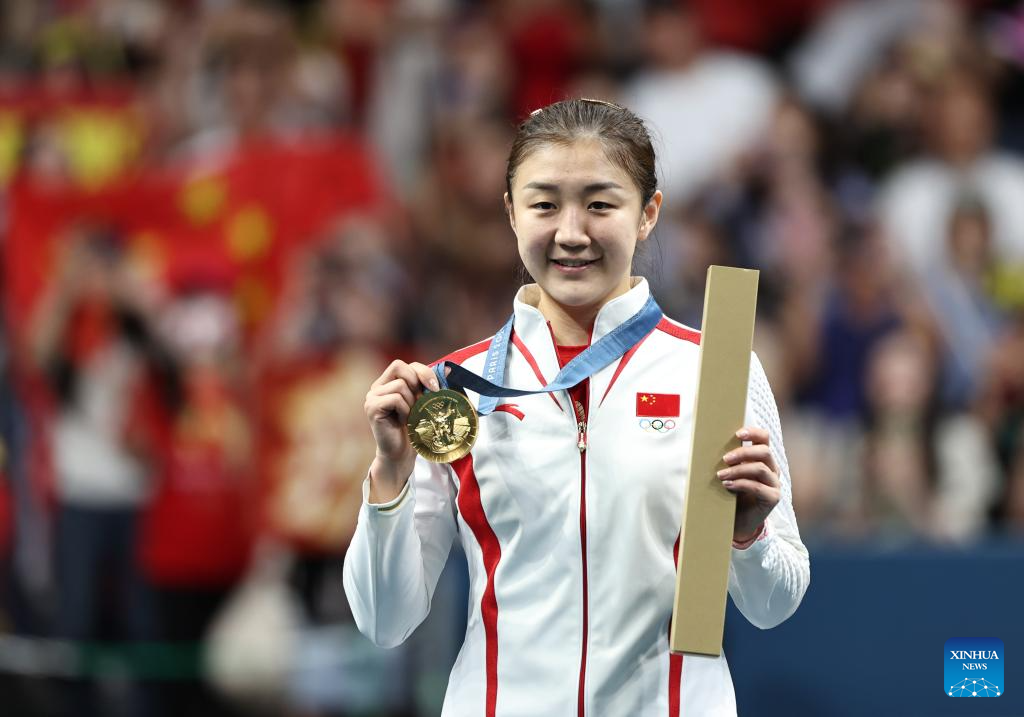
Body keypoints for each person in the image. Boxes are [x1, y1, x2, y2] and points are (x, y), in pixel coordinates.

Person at [343, 99, 810, 716]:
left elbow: (774, 605)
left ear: (648, 214)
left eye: (599, 203)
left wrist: (748, 535)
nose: (570, 232)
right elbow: (384, 620)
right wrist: (389, 478)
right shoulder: (460, 389)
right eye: (544, 204)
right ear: (511, 213)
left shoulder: (714, 369)